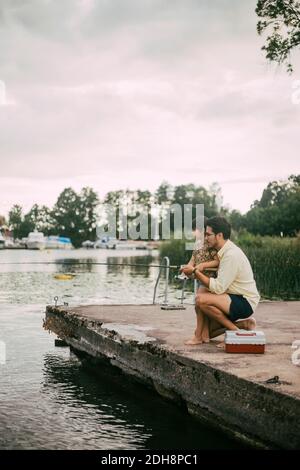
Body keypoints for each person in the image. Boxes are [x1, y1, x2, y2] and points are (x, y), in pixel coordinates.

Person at [182, 216, 260, 347]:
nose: (205, 238)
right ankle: (245, 324)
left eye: (208, 234)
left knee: (201, 299)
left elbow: (218, 288)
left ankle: (235, 332)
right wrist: (191, 271)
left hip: (244, 301)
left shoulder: (230, 255)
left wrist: (196, 272)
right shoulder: (222, 251)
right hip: (232, 296)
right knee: (206, 333)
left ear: (219, 235)